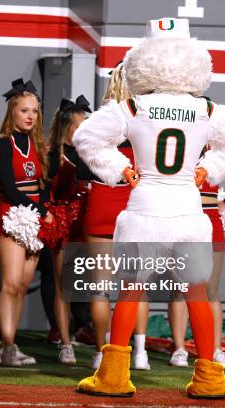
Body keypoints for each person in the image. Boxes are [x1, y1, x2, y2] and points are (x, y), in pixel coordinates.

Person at [74, 18, 225, 398]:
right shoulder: (207, 109)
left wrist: (119, 169)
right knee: (197, 292)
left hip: (145, 207)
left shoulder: (134, 106)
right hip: (188, 209)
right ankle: (209, 378)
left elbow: (85, 137)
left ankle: (113, 377)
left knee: (130, 291)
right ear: (193, 60)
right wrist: (210, 169)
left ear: (144, 60)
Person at [167, 161, 225, 368]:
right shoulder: (183, 144)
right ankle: (179, 349)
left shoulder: (221, 152)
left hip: (210, 218)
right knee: (180, 289)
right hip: (180, 217)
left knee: (211, 290)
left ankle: (215, 348)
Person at [0, 78, 52, 366]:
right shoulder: (3, 144)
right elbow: (10, 189)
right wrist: (40, 210)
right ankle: (7, 345)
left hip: (35, 216)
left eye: (35, 111)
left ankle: (10, 343)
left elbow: (43, 185)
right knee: (11, 283)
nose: (30, 116)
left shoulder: (38, 144)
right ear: (12, 112)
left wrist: (46, 207)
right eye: (25, 110)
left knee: (24, 284)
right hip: (13, 214)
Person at [80, 64, 136, 369]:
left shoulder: (98, 121)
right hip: (132, 204)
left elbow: (82, 167)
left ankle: (101, 352)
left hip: (101, 201)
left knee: (100, 287)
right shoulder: (142, 119)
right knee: (132, 285)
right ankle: (129, 353)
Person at [46, 95, 92, 364]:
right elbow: (48, 190)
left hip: (88, 220)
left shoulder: (90, 152)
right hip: (64, 218)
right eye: (81, 126)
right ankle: (65, 343)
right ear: (68, 127)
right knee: (64, 286)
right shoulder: (54, 153)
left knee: (93, 284)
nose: (86, 130)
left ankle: (100, 340)